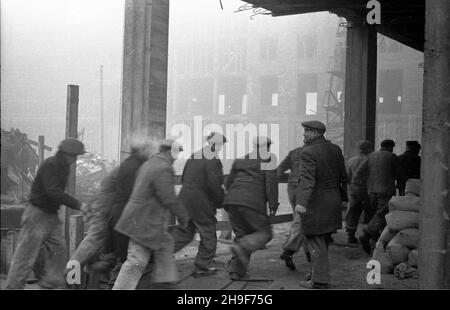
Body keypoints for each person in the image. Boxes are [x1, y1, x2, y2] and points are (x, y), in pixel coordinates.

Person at [5, 138, 88, 289]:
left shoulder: (63, 167)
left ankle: (50, 283)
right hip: (37, 215)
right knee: (25, 256)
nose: (76, 159)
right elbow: (53, 192)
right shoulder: (51, 165)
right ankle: (13, 287)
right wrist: (78, 204)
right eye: (75, 155)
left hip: (50, 216)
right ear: (66, 154)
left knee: (59, 249)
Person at [112, 139, 189, 289]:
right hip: (145, 221)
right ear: (167, 152)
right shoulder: (163, 168)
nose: (176, 157)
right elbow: (168, 197)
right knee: (137, 259)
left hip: (141, 218)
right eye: (175, 153)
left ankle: (164, 282)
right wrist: (183, 215)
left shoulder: (149, 164)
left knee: (165, 243)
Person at [294, 121, 347, 289]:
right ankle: (317, 273)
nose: (304, 135)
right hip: (333, 200)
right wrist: (344, 198)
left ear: (317, 132)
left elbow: (307, 180)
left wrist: (301, 202)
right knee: (323, 240)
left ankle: (319, 281)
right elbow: (343, 177)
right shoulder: (335, 149)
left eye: (307, 131)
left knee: (314, 239)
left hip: (316, 202)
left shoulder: (308, 152)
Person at [170, 132, 226, 277]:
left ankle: (157, 256)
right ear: (217, 144)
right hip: (201, 204)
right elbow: (214, 186)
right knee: (208, 235)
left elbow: (183, 178)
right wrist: (220, 201)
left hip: (185, 200)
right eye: (220, 145)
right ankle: (201, 267)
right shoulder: (213, 160)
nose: (220, 148)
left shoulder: (195, 155)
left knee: (184, 233)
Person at [223, 136, 278, 280]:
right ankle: (242, 248)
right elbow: (271, 184)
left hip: (232, 201)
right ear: (267, 147)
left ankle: (237, 272)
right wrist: (273, 205)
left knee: (243, 235)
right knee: (264, 233)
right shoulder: (268, 158)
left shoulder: (241, 160)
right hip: (252, 202)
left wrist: (235, 197)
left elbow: (228, 183)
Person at [109, 137, 155, 265]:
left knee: (125, 253)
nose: (150, 152)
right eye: (148, 150)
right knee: (128, 257)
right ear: (141, 150)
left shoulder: (128, 163)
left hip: (122, 210)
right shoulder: (138, 166)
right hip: (129, 211)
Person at [357, 139, 403, 254]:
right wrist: (402, 189)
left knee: (376, 214)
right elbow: (400, 175)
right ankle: (367, 234)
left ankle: (376, 239)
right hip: (385, 191)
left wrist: (361, 188)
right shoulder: (392, 157)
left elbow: (359, 172)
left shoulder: (371, 156)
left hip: (371, 191)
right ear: (391, 147)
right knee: (382, 214)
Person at [69, 167, 119, 271]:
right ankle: (70, 275)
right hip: (104, 208)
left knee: (97, 240)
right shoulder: (129, 168)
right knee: (93, 239)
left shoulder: (125, 168)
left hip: (106, 207)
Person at [277, 141, 311, 270]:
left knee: (302, 220)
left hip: (292, 188)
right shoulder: (315, 152)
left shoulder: (294, 152)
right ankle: (289, 251)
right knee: (301, 220)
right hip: (305, 190)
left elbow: (280, 168)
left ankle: (309, 254)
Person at [345, 140, 375, 244]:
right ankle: (370, 235)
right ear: (369, 149)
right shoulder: (371, 160)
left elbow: (348, 177)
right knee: (371, 212)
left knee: (353, 212)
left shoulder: (351, 161)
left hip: (354, 190)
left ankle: (350, 236)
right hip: (368, 191)